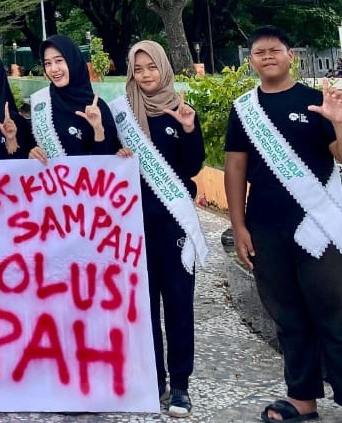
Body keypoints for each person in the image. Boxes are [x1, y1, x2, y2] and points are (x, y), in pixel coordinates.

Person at [225, 26, 342, 423]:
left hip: (319, 227)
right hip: (266, 227)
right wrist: (238, 225)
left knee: (334, 312)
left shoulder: (316, 101)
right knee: (287, 315)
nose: (268, 56)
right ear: (251, 60)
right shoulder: (244, 108)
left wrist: (339, 122)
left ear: (291, 55)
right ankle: (302, 399)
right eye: (260, 51)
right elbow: (235, 166)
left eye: (275, 49)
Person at [108, 40, 208, 418]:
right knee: (144, 306)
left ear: (163, 68)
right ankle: (154, 380)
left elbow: (193, 167)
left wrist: (188, 129)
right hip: (134, 225)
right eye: (138, 69)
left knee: (179, 304)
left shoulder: (179, 109)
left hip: (173, 224)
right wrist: (114, 151)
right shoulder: (122, 115)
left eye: (152, 67)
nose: (146, 75)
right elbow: (107, 164)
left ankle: (180, 385)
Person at [28, 34, 120, 163]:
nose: (53, 69)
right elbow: (30, 151)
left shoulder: (97, 107)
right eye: (47, 63)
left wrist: (98, 129)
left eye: (59, 60)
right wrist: (32, 154)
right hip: (54, 177)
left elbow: (110, 163)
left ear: (73, 60)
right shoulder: (42, 105)